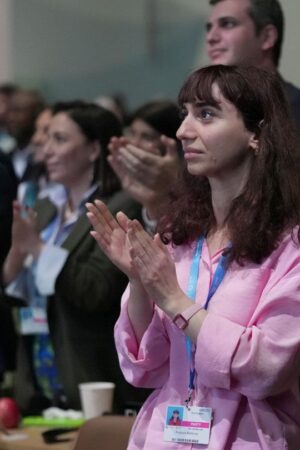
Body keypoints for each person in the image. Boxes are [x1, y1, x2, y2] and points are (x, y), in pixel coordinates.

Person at [86, 65, 300, 449]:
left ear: (257, 133)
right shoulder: (181, 237)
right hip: (165, 436)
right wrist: (139, 283)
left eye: (206, 114)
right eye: (185, 113)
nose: (184, 130)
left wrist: (173, 300)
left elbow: (267, 369)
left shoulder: (291, 245)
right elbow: (144, 367)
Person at [1, 100, 145, 414]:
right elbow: (14, 294)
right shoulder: (43, 208)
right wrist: (17, 252)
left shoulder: (120, 207)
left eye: (60, 139)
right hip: (39, 375)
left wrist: (38, 249)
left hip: (92, 375)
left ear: (94, 149)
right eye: (47, 139)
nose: (46, 150)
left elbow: (96, 290)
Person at [206, 0, 300, 125]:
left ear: (267, 37)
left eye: (227, 24)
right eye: (209, 27)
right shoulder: (201, 110)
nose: (210, 37)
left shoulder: (295, 109)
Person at [108, 100, 182, 232]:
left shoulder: (188, 191)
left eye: (147, 137)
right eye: (132, 133)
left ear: (172, 143)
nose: (134, 143)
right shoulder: (121, 197)